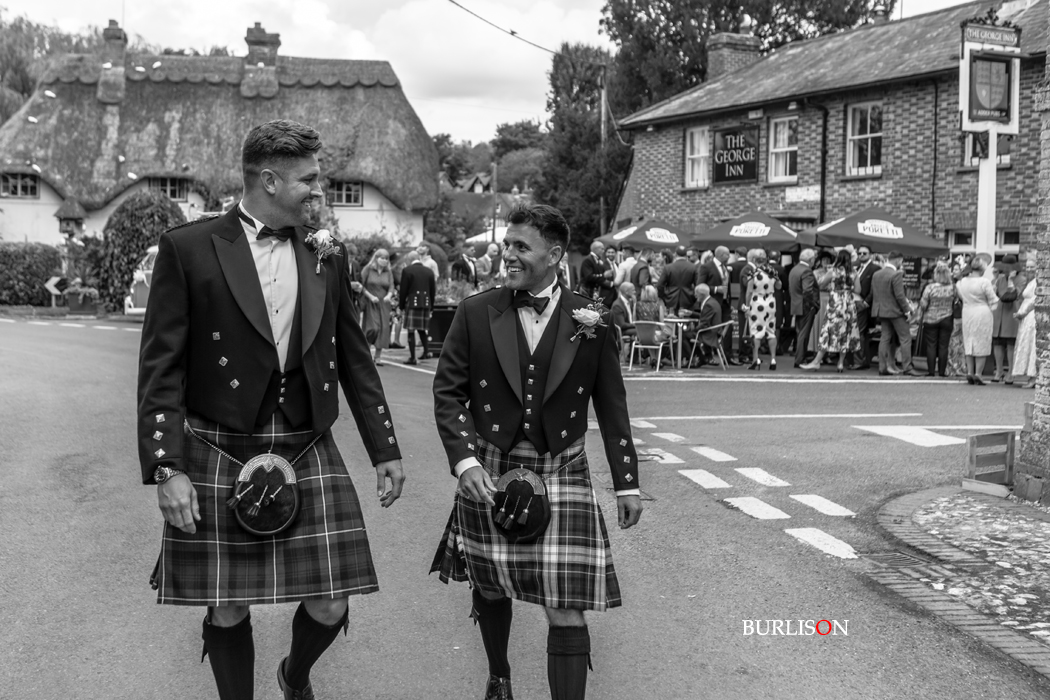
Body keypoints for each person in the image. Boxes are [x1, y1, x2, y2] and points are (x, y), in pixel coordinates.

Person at [137, 119, 405, 700]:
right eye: (309, 179)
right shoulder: (189, 248)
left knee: (332, 599)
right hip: (219, 440)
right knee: (227, 602)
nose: (319, 190)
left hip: (306, 440)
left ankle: (295, 676)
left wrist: (384, 448)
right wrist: (166, 467)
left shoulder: (325, 254)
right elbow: (160, 368)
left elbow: (355, 359)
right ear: (269, 180)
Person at [431, 202, 642, 700]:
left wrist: (627, 482)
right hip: (491, 465)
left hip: (561, 465)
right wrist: (464, 460)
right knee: (489, 583)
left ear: (554, 254)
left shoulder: (592, 318)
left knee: (566, 605)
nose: (508, 254)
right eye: (507, 244)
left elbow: (612, 405)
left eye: (521, 247)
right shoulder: (476, 311)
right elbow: (448, 393)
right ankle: (499, 676)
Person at [801, 250, 860, 373]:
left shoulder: (833, 271)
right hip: (849, 304)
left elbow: (821, 285)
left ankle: (816, 361)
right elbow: (858, 290)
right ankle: (840, 363)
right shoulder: (854, 272)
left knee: (828, 330)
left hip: (836, 302)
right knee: (846, 332)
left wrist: (833, 286)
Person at [869, 250, 922, 377]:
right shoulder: (896, 274)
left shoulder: (876, 274)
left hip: (881, 310)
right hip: (895, 311)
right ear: (899, 260)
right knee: (905, 338)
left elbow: (873, 293)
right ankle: (907, 367)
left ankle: (882, 367)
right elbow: (900, 296)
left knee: (885, 338)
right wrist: (907, 311)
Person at [956, 253, 1001, 385]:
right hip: (982, 312)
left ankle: (970, 372)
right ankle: (978, 373)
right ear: (982, 269)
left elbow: (961, 297)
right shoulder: (984, 282)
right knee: (982, 341)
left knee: (969, 341)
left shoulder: (961, 282)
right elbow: (993, 300)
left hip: (967, 312)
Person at [696, 245, 736, 363]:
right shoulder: (706, 267)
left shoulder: (726, 268)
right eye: (727, 254)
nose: (729, 257)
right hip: (712, 303)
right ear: (720, 255)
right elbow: (700, 285)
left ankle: (728, 356)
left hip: (725, 303)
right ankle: (708, 356)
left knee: (728, 328)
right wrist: (716, 289)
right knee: (709, 327)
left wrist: (728, 299)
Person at [915, 262, 955, 377]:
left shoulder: (930, 287)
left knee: (931, 345)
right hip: (947, 317)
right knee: (943, 346)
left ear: (936, 274)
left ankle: (931, 371)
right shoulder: (952, 287)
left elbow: (923, 305)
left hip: (930, 319)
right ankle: (942, 372)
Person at [742, 250, 780, 370]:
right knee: (771, 331)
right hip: (770, 302)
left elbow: (749, 292)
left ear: (755, 261)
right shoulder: (772, 272)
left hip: (757, 302)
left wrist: (746, 307)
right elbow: (779, 286)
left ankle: (756, 359)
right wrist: (775, 278)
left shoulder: (753, 273)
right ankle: (773, 359)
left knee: (756, 331)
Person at [991, 255, 1025, 383]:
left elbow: (1014, 295)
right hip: (998, 314)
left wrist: (1011, 280)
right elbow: (994, 294)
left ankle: (1011, 372)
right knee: (997, 343)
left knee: (1011, 344)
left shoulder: (1021, 279)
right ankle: (999, 371)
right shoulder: (999, 279)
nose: (1004, 269)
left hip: (1012, 314)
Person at [399, 250, 436, 365]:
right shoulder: (429, 271)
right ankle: (426, 352)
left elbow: (403, 290)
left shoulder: (407, 270)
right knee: (422, 329)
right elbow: (433, 291)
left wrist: (401, 305)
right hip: (426, 303)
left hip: (412, 303)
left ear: (409, 259)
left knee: (411, 330)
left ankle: (412, 357)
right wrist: (431, 306)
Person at [360, 248, 395, 366]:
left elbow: (391, 286)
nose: (384, 261)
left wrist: (389, 295)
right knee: (372, 328)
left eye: (386, 259)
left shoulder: (388, 272)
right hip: (371, 302)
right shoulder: (368, 269)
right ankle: (366, 353)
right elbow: (361, 284)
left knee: (383, 329)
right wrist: (370, 296)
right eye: (382, 258)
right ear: (376, 258)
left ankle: (378, 357)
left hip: (384, 303)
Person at [789, 248, 819, 368]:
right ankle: (800, 359)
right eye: (814, 259)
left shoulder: (795, 269)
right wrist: (813, 305)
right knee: (804, 333)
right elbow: (807, 291)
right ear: (811, 259)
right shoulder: (807, 271)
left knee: (800, 332)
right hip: (805, 305)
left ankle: (800, 357)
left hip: (797, 304)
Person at [1012, 256, 1038, 389]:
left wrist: (1023, 312)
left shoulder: (1039, 281)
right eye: (1027, 267)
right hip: (1026, 317)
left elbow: (1035, 300)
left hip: (1032, 316)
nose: (1029, 269)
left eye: (1032, 266)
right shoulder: (1031, 281)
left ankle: (1034, 377)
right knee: (1027, 344)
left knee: (1032, 345)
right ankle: (1030, 375)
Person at [853, 245, 880, 370]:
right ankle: (862, 360)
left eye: (864, 253)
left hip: (864, 304)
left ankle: (860, 361)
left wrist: (866, 303)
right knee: (858, 332)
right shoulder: (857, 268)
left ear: (871, 255)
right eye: (859, 253)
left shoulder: (875, 268)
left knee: (860, 333)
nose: (861, 255)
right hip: (854, 303)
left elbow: (875, 288)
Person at [657, 245, 700, 315]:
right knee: (687, 318)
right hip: (688, 299)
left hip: (670, 299)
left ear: (675, 254)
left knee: (671, 319)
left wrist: (664, 297)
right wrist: (694, 297)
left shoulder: (668, 267)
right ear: (686, 255)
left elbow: (660, 285)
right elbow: (698, 285)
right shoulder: (693, 267)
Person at [579, 240, 616, 306]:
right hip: (586, 290)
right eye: (602, 249)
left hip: (594, 292)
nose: (603, 251)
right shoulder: (587, 260)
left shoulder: (597, 260)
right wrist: (604, 275)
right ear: (596, 249)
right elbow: (588, 277)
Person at [611, 281, 637, 349]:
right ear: (626, 292)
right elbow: (622, 325)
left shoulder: (630, 302)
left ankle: (636, 352)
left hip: (630, 328)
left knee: (643, 330)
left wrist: (635, 304)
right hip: (622, 331)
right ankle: (637, 353)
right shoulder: (617, 305)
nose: (635, 292)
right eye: (633, 290)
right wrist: (635, 325)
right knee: (641, 331)